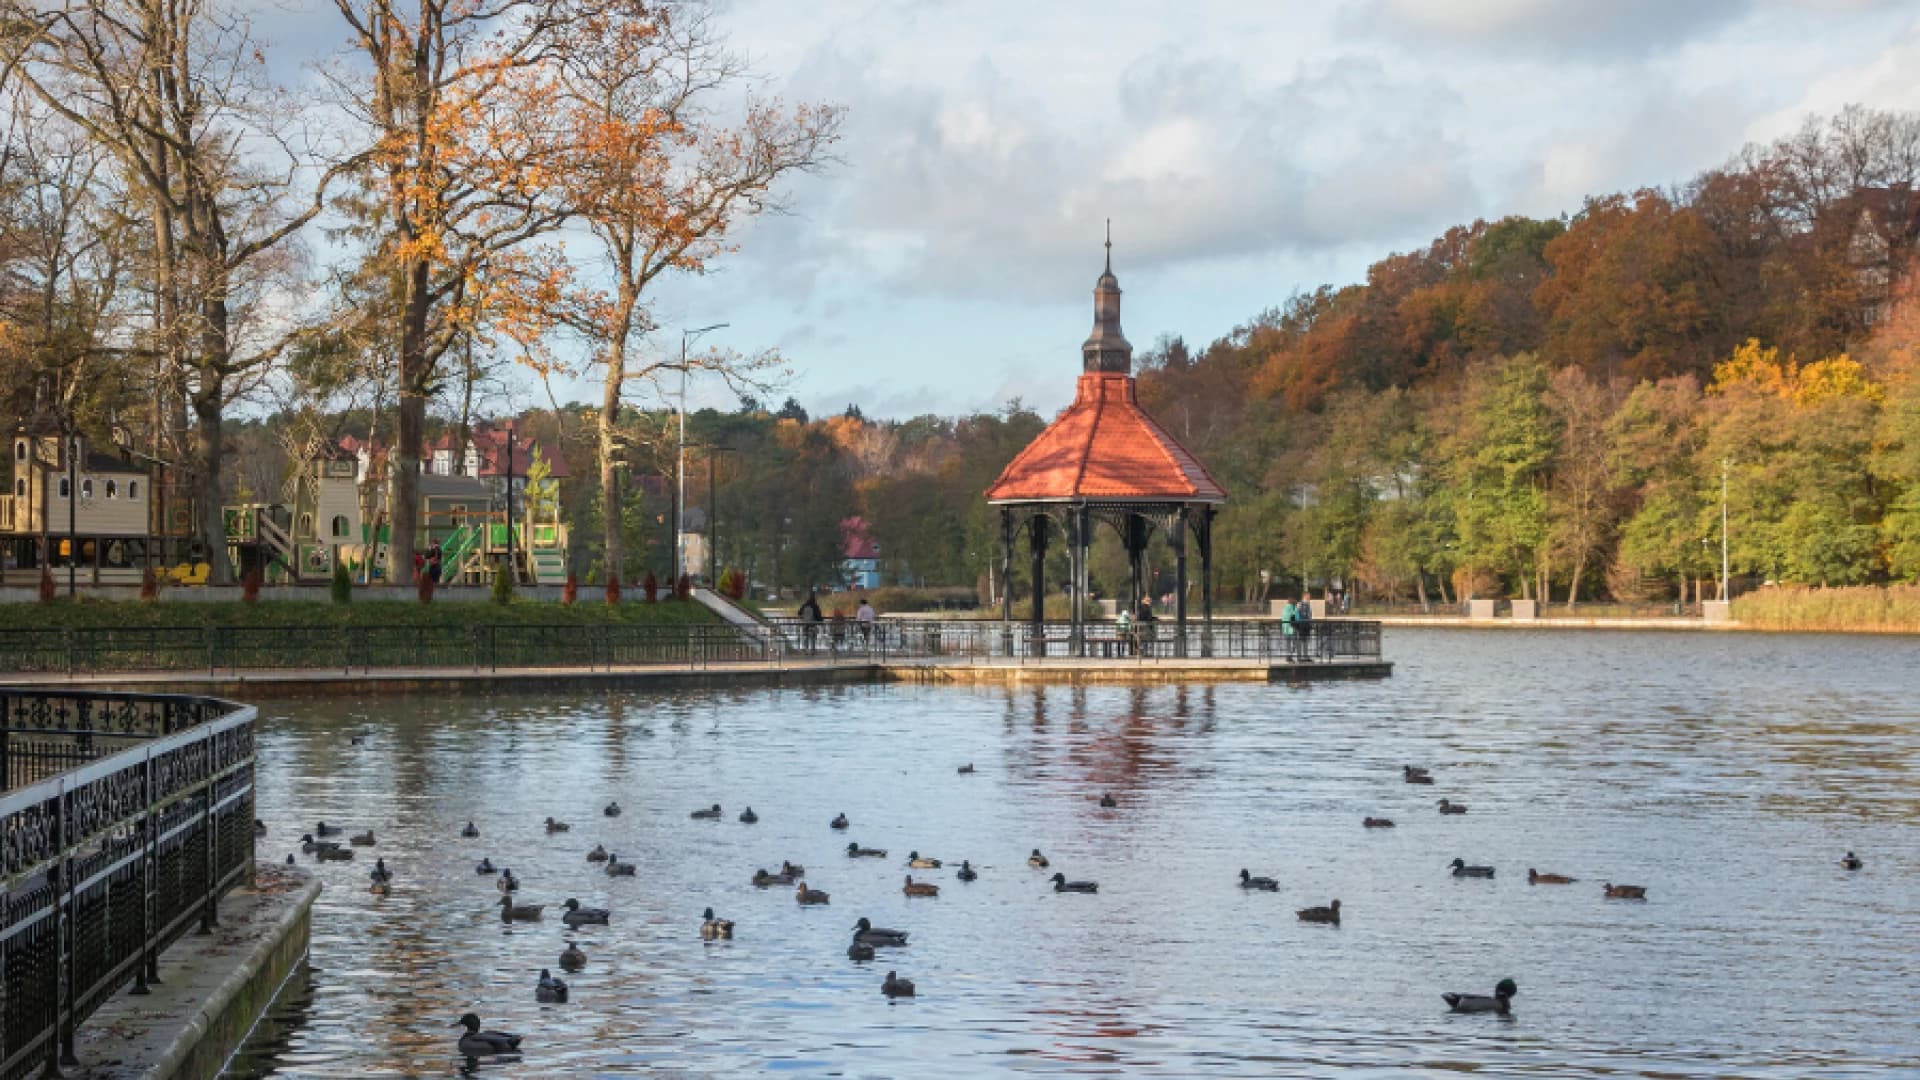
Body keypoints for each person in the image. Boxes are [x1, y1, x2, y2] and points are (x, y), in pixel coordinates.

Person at [1295, 594, 1314, 662]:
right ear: (1304, 596)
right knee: (1300, 641)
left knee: (1305, 641)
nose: (1309, 598)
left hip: (1306, 625)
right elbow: (1296, 613)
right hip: (1301, 625)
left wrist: (1310, 623)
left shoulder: (1308, 604)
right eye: (1308, 596)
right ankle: (1299, 657)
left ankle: (1305, 656)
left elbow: (1309, 615)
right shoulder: (1300, 604)